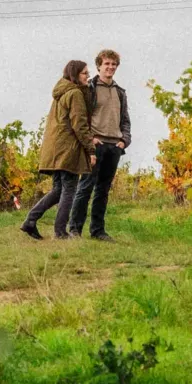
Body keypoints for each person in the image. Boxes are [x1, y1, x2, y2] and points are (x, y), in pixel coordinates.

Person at [21, 59, 95, 240]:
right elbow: (79, 124)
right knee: (69, 188)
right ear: (75, 75)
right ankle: (60, 232)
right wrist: (91, 149)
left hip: (55, 147)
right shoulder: (75, 93)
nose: (88, 76)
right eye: (85, 73)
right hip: (67, 148)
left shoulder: (61, 92)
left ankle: (30, 220)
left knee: (58, 189)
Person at [71, 47, 130, 240]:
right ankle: (75, 229)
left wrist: (124, 141)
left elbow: (125, 120)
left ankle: (97, 231)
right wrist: (90, 139)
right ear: (99, 66)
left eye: (113, 64)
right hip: (95, 144)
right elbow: (81, 118)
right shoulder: (89, 89)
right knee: (86, 187)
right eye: (107, 64)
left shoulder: (120, 92)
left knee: (103, 190)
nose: (110, 67)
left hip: (114, 147)